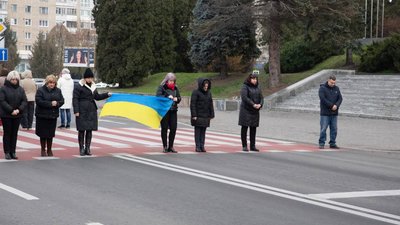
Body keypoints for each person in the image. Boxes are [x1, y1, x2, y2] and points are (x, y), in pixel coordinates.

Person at [73, 68, 111, 156]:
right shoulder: (79, 86)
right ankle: (81, 148)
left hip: (91, 110)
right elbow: (75, 99)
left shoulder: (93, 86)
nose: (90, 79)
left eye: (91, 78)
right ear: (85, 78)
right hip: (82, 110)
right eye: (88, 78)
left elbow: (97, 97)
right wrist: (76, 111)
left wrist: (107, 94)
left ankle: (88, 148)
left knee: (89, 130)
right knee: (82, 130)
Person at [0, 71, 27, 160]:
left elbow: (24, 101)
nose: (14, 81)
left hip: (17, 114)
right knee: (7, 133)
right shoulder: (3, 89)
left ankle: (13, 151)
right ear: (9, 79)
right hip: (6, 115)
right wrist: (11, 110)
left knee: (14, 134)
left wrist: (19, 109)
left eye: (16, 79)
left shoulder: (20, 89)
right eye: (13, 79)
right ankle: (7, 152)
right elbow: (2, 101)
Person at [35, 75, 64, 157]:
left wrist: (57, 103)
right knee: (43, 134)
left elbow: (62, 100)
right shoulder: (41, 90)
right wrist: (50, 103)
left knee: (50, 134)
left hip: (52, 115)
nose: (52, 84)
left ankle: (49, 149)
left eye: (53, 83)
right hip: (42, 115)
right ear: (47, 83)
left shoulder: (58, 91)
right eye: (50, 83)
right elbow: (39, 101)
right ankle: (43, 149)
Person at [156, 72, 181, 153]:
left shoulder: (176, 88)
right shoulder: (162, 87)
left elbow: (179, 97)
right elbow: (158, 96)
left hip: (173, 110)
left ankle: (171, 146)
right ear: (167, 80)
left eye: (173, 81)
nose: (171, 82)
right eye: (170, 81)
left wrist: (177, 99)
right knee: (164, 128)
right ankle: (165, 146)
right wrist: (167, 96)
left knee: (173, 128)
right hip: (165, 111)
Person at [238, 73, 263, 152]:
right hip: (246, 110)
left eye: (256, 79)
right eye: (253, 79)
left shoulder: (258, 87)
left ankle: (253, 145)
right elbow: (245, 97)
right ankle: (244, 145)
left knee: (253, 128)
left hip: (255, 111)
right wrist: (253, 104)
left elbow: (261, 97)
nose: (255, 80)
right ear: (249, 79)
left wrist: (260, 104)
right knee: (244, 127)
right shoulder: (245, 86)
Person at [190, 78, 214, 152]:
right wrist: (194, 115)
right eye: (204, 86)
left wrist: (211, 114)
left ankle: (202, 146)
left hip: (206, 115)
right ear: (201, 85)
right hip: (198, 115)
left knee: (203, 131)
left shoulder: (209, 93)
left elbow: (211, 104)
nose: (206, 88)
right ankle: (198, 146)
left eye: (207, 86)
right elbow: (192, 104)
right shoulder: (195, 92)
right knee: (198, 132)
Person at [318, 75, 343, 149]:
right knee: (323, 128)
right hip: (325, 113)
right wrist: (331, 106)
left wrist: (336, 105)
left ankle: (332, 143)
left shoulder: (337, 88)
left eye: (334, 83)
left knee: (334, 128)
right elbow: (323, 99)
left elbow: (340, 98)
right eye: (332, 83)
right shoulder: (322, 88)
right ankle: (321, 143)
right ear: (328, 80)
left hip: (334, 113)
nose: (333, 84)